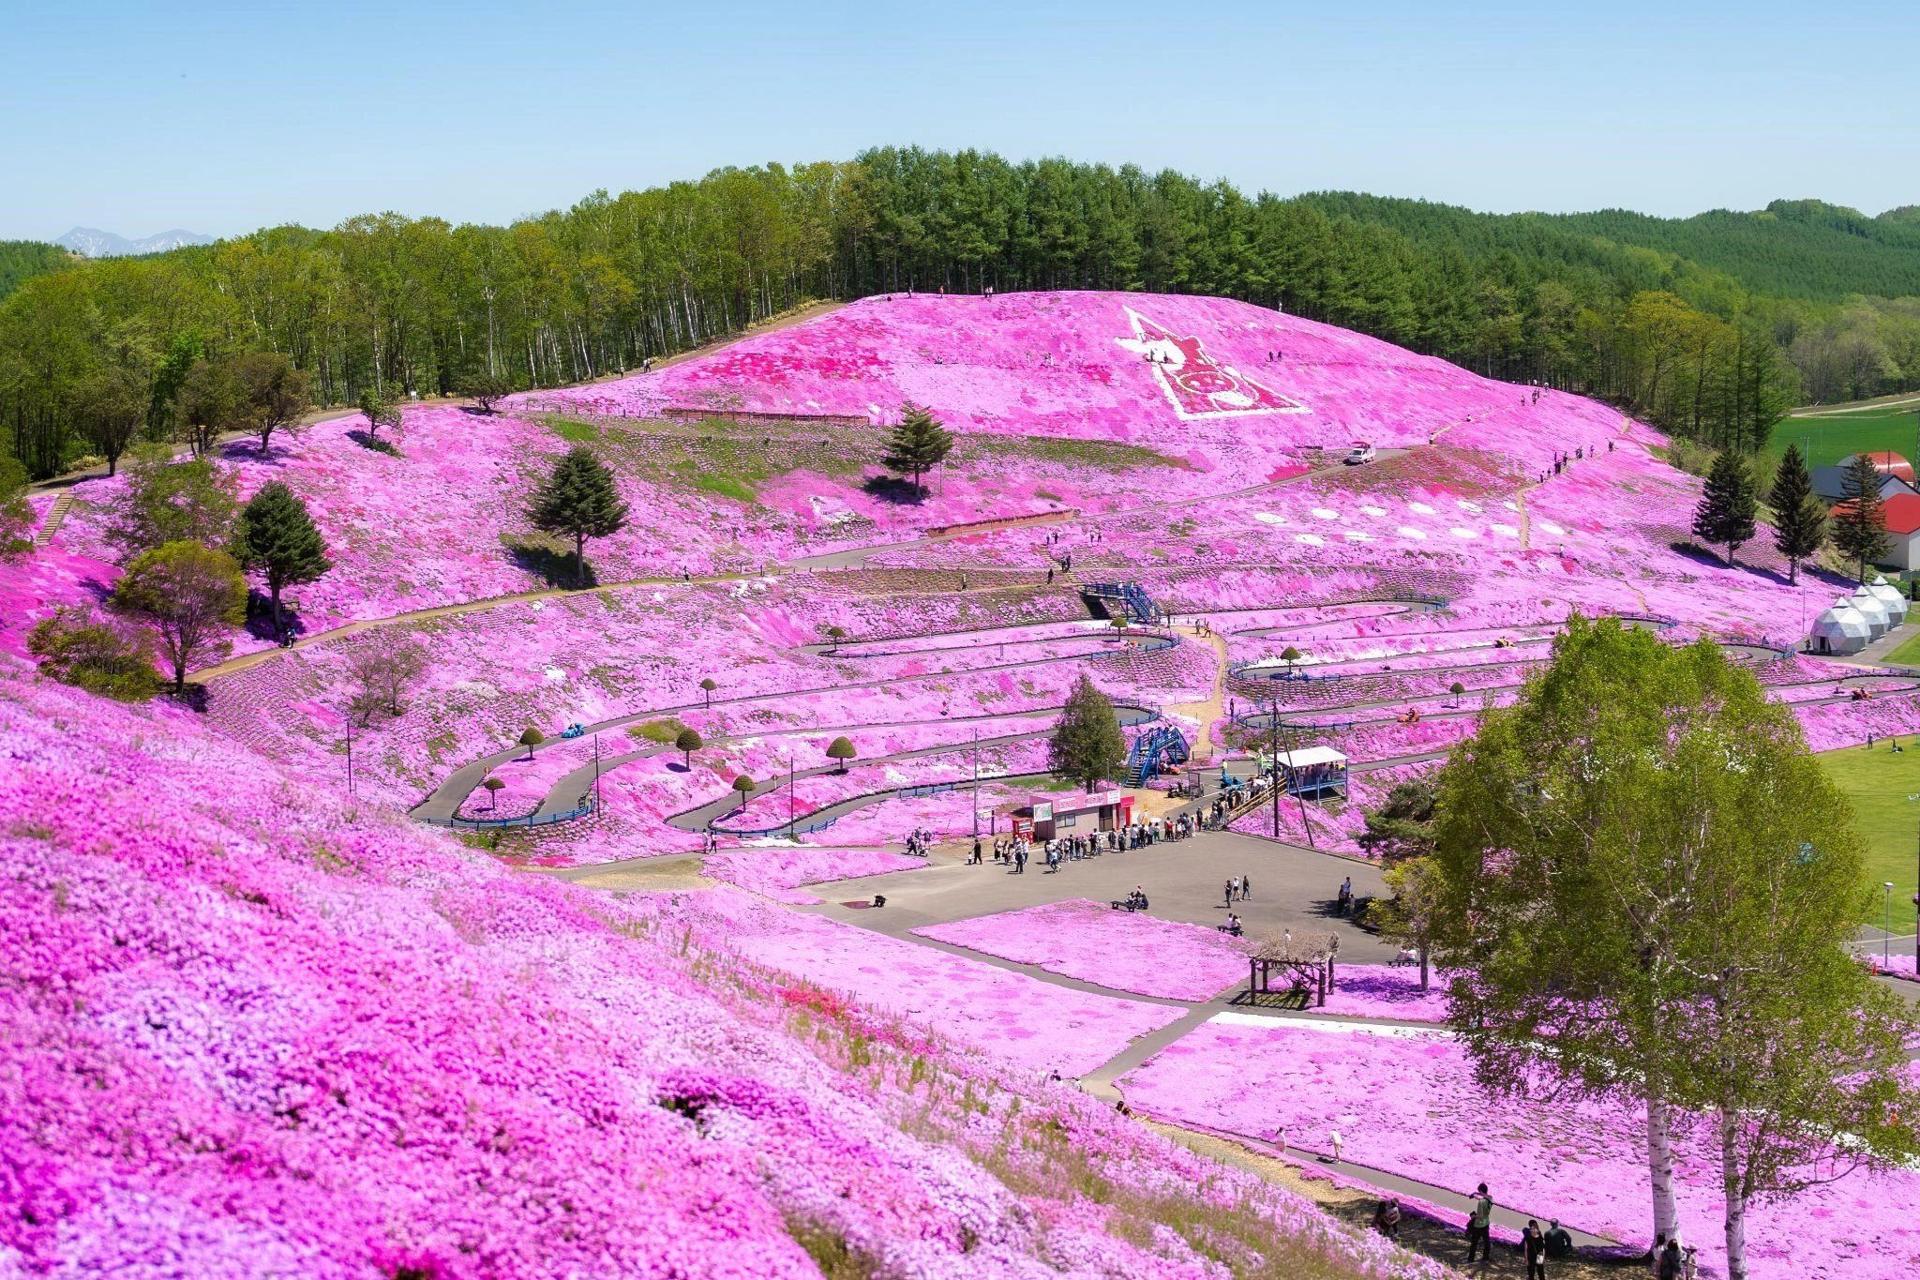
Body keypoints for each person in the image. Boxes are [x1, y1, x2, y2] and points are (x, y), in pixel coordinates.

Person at [1466, 1183, 1493, 1265]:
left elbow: (1480, 1216)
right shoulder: (1490, 1199)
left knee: (1474, 1243)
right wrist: (1475, 1194)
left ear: (1481, 1191)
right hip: (1486, 1223)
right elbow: (1485, 1197)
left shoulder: (1481, 1202)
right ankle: (1485, 1258)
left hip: (1478, 1225)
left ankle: (1471, 1259)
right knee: (1486, 1242)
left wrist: (1474, 1216)